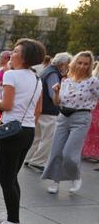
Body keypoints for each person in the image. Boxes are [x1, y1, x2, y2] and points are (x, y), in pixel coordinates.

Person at [0, 39, 45, 224]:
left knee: (6, 177)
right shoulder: (37, 78)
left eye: (16, 51)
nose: (11, 53)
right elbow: (38, 109)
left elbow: (7, 105)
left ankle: (13, 222)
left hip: (12, 131)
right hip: (27, 130)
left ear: (24, 57)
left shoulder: (12, 75)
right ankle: (11, 213)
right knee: (12, 177)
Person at [42, 50, 99, 194]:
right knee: (56, 152)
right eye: (80, 63)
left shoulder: (93, 81)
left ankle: (75, 176)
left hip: (81, 118)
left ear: (90, 65)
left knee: (69, 153)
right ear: (74, 63)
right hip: (63, 117)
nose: (82, 66)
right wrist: (56, 92)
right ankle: (55, 181)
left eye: (86, 64)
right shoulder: (66, 80)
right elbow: (57, 102)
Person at [24, 52, 72, 171]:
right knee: (47, 138)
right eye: (68, 64)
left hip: (41, 109)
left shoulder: (47, 70)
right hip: (49, 111)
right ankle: (38, 162)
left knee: (38, 137)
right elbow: (53, 94)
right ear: (62, 64)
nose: (69, 67)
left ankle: (29, 158)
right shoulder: (53, 74)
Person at [81, 63, 99, 162]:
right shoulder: (94, 79)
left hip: (92, 108)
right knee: (94, 132)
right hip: (95, 108)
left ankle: (87, 152)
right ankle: (93, 153)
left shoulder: (92, 77)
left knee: (91, 131)